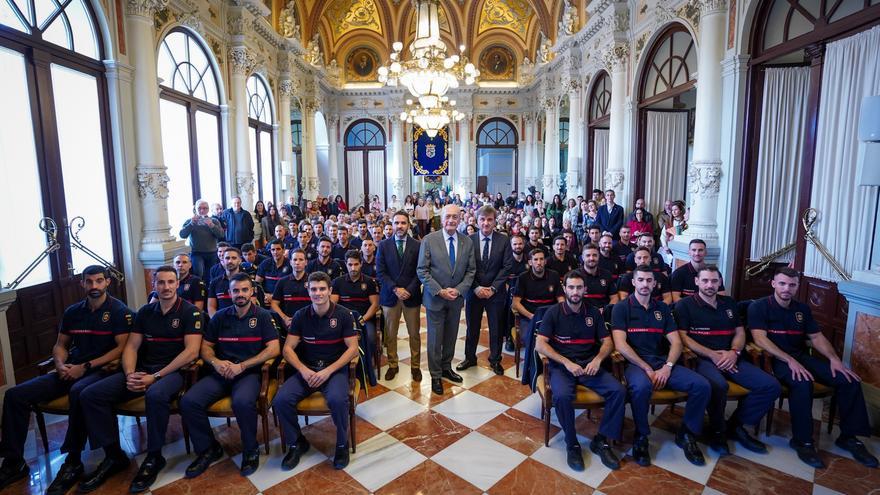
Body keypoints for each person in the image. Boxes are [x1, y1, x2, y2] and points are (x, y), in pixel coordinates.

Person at [0, 266, 133, 493]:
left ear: (107, 283)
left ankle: (72, 462)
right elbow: (60, 345)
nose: (94, 286)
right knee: (15, 395)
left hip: (101, 370)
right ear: (82, 284)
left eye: (99, 281)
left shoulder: (119, 311)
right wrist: (61, 365)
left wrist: (86, 367)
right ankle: (14, 462)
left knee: (80, 392)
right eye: (89, 282)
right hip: (70, 369)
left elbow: (122, 349)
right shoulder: (73, 312)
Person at [78, 266, 202, 493]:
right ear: (154, 284)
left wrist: (154, 377)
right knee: (91, 394)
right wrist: (129, 373)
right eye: (161, 282)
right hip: (142, 370)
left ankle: (154, 456)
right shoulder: (145, 312)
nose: (166, 287)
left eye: (170, 282)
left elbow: (191, 352)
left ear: (177, 284)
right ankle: (113, 455)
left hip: (174, 373)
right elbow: (131, 346)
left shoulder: (190, 311)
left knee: (155, 394)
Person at [749, 267, 878, 468]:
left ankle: (849, 437)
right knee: (803, 382)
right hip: (776, 359)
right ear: (773, 283)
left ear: (797, 287)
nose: (786, 289)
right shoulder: (759, 306)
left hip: (800, 356)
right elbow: (759, 338)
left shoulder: (802, 309)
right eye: (782, 283)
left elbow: (816, 337)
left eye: (792, 285)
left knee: (849, 379)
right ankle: (803, 441)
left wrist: (834, 359)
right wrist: (788, 360)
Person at [180, 273, 280, 478]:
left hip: (248, 374)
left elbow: (274, 349)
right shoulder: (220, 316)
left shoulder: (262, 316)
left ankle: (250, 450)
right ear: (229, 293)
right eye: (236, 290)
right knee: (189, 401)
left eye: (245, 290)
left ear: (252, 292)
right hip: (221, 372)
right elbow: (206, 348)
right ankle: (208, 448)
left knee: (242, 402)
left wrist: (243, 366)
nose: (240, 294)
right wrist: (216, 362)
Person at [675, 265, 781, 455]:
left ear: (720, 283)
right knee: (718, 386)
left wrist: (734, 352)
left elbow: (740, 332)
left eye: (714, 281)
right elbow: (683, 337)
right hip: (702, 359)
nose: (710, 285)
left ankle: (736, 425)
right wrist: (712, 354)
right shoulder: (685, 305)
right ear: (696, 282)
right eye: (705, 280)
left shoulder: (729, 303)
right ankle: (717, 431)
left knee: (770, 386)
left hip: (731, 357)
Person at [611, 265, 710, 467]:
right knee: (641, 387)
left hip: (661, 361)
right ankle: (641, 436)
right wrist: (645, 367)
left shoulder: (663, 309)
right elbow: (620, 344)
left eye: (649, 281)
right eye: (641, 280)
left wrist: (668, 366)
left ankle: (687, 434)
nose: (645, 284)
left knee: (702, 385)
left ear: (655, 284)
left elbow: (676, 342)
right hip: (635, 363)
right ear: (633, 282)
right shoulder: (622, 308)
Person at [535, 271, 624, 472]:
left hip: (588, 365)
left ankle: (601, 440)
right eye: (571, 287)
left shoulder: (593, 313)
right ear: (565, 289)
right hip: (562, 367)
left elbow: (608, 342)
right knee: (563, 396)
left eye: (579, 287)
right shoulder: (554, 312)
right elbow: (540, 345)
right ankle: (572, 443)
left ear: (585, 289)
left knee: (618, 391)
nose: (575, 292)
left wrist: (598, 359)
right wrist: (566, 362)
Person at [273, 272, 360, 471]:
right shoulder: (301, 315)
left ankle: (341, 444)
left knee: (338, 400)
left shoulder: (344, 315)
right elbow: (287, 349)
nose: (318, 293)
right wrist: (303, 370)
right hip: (308, 369)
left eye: (322, 289)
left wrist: (327, 371)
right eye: (313, 289)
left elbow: (353, 349)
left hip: (334, 370)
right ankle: (297, 442)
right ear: (308, 290)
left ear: (330, 290)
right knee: (280, 400)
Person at [417, 204, 476, 395]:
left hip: (456, 299)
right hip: (435, 298)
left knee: (451, 336)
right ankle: (435, 375)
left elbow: (471, 271)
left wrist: (458, 290)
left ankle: (446, 367)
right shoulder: (429, 240)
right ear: (441, 219)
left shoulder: (467, 242)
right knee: (435, 339)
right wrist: (439, 290)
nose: (451, 220)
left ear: (460, 219)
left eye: (455, 217)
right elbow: (422, 270)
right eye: (448, 217)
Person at [460, 206, 513, 376]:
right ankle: (470, 357)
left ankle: (495, 360)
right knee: (472, 327)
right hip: (474, 292)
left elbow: (506, 267)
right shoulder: (468, 240)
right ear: (477, 221)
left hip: (495, 293)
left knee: (496, 328)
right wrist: (475, 287)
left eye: (489, 219)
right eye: (482, 219)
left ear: (495, 221)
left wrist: (493, 288)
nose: (486, 223)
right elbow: (465, 267)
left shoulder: (503, 240)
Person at [376, 211, 423, 381]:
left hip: (412, 296)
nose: (400, 226)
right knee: (390, 334)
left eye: (403, 223)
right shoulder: (383, 245)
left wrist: (408, 290)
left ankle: (416, 366)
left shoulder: (417, 245)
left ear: (408, 225)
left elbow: (420, 271)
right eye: (397, 223)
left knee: (414, 334)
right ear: (392, 224)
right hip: (390, 296)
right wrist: (396, 289)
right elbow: (381, 273)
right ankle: (392, 364)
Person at [331, 250, 380, 354]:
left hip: (364, 319)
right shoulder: (338, 282)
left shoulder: (369, 282)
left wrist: (362, 320)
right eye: (350, 264)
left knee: (370, 339)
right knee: (334, 338)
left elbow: (375, 305)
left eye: (356, 264)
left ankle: (367, 366)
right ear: (345, 264)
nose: (353, 268)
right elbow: (332, 304)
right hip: (343, 319)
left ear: (361, 263)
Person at [511, 249, 564, 328]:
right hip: (529, 316)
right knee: (527, 338)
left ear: (545, 261)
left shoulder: (554, 275)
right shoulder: (523, 277)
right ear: (530, 263)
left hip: (551, 314)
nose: (539, 263)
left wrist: (560, 313)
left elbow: (561, 299)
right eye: (535, 259)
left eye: (541, 259)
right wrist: (531, 316)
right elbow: (515, 303)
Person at [180, 199, 226, 278]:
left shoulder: (214, 221)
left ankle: (210, 290)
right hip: (196, 253)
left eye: (205, 208)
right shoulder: (189, 221)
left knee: (211, 275)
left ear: (208, 209)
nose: (202, 210)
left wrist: (211, 225)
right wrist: (191, 224)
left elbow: (221, 235)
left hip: (212, 252)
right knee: (198, 273)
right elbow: (182, 235)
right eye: (199, 208)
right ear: (195, 209)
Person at [271, 249, 311, 332]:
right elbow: (274, 304)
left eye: (301, 260)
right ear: (290, 262)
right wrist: (285, 318)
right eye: (295, 259)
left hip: (309, 323)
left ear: (306, 262)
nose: (297, 262)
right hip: (287, 324)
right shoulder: (282, 281)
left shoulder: (313, 281)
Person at [574, 244, 618, 312]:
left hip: (603, 314)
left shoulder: (607, 274)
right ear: (582, 257)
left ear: (599, 256)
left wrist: (605, 310)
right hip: (580, 313)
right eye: (588, 255)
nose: (591, 258)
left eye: (594, 255)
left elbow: (614, 298)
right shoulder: (574, 275)